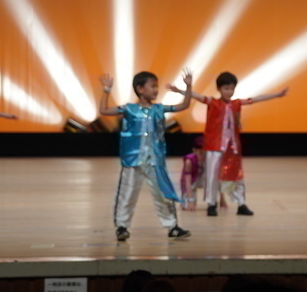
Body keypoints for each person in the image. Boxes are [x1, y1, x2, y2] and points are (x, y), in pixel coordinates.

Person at [167, 69, 288, 217]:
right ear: (219, 89)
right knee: (212, 176)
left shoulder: (236, 104)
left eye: (232, 89)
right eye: (226, 88)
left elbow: (256, 99)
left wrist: (277, 95)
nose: (229, 92)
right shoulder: (213, 102)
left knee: (236, 175)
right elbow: (196, 95)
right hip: (214, 146)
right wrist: (181, 90)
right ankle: (212, 204)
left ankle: (241, 203)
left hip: (232, 147)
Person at [99, 71, 192, 241]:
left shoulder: (159, 109)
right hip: (133, 160)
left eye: (157, 86)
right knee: (127, 192)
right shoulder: (129, 109)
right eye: (153, 86)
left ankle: (172, 226)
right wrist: (106, 90)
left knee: (162, 193)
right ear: (140, 89)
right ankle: (122, 226)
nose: (156, 90)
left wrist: (188, 86)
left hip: (154, 160)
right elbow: (104, 110)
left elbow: (184, 105)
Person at [180, 135, 227, 211]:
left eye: (205, 153)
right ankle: (188, 199)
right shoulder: (189, 162)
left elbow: (218, 181)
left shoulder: (210, 161)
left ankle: (212, 199)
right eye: (201, 153)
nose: (203, 156)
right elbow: (187, 183)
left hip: (204, 178)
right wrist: (190, 201)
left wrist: (222, 198)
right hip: (192, 181)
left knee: (213, 178)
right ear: (194, 151)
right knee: (187, 206)